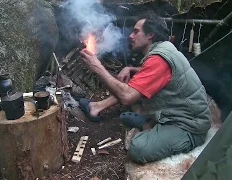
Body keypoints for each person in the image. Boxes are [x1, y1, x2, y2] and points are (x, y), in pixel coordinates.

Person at [79, 12, 211, 164]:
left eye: (136, 32)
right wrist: (131, 68)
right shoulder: (164, 48)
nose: (130, 36)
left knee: (138, 148)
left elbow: (127, 97)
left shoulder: (159, 59)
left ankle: (148, 125)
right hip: (179, 114)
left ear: (150, 35)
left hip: (190, 126)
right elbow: (155, 74)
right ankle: (97, 107)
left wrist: (97, 67)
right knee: (137, 83)